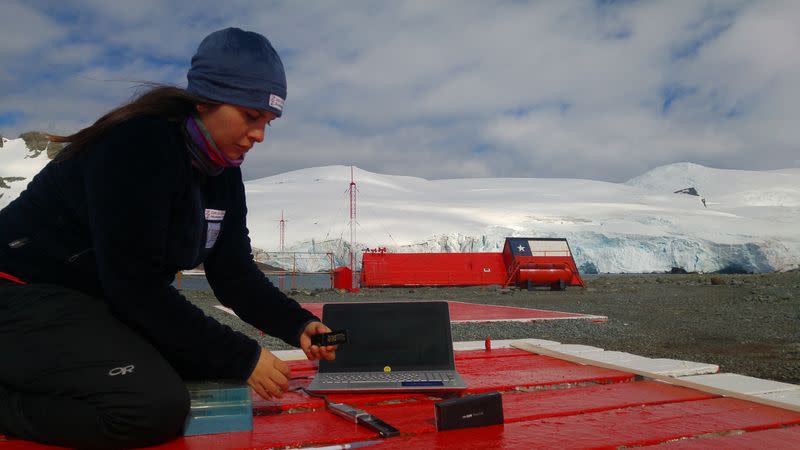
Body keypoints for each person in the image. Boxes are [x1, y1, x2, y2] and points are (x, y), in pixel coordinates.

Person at [0, 27, 336, 449]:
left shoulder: (222, 173)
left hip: (87, 305)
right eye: (250, 117)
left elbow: (233, 274)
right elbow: (134, 286)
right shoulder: (138, 144)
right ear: (205, 100)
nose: (260, 136)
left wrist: (299, 324)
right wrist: (243, 356)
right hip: (19, 294)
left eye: (268, 122)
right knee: (149, 407)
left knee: (195, 365)